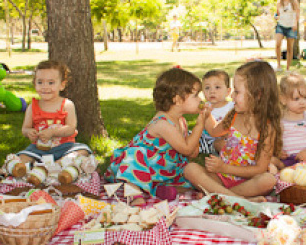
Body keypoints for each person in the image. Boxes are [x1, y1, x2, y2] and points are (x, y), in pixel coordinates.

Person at [105, 67, 209, 202]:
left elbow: (191, 153)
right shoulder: (162, 123)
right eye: (196, 96)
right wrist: (200, 125)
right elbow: (187, 148)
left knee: (190, 176)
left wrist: (196, 134)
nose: (200, 100)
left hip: (162, 170)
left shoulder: (181, 121)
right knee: (135, 154)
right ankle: (134, 194)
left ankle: (157, 189)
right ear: (177, 100)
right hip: (140, 166)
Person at [0, 60, 93, 180]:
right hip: (38, 150)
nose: (45, 87)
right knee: (22, 156)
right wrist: (29, 132)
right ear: (35, 84)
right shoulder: (32, 107)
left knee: (82, 151)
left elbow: (71, 128)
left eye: (51, 83)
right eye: (40, 82)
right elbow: (25, 128)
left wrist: (53, 132)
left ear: (62, 85)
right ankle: (3, 171)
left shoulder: (67, 104)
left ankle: (57, 167)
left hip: (64, 147)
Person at [184, 61, 282, 200]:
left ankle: (218, 195)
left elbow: (260, 168)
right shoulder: (234, 114)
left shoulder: (267, 127)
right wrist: (206, 114)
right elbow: (213, 131)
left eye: (237, 91)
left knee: (268, 180)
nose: (232, 96)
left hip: (246, 182)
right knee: (190, 169)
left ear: (257, 95)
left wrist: (224, 168)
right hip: (221, 178)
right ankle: (238, 199)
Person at [199, 69, 234, 155]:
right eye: (207, 88)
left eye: (217, 87)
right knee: (221, 144)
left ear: (228, 91)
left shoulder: (233, 106)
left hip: (231, 137)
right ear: (203, 92)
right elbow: (212, 131)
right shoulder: (205, 108)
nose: (212, 91)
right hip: (211, 140)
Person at [274, 0, 300, 72]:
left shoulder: (294, 1)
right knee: (278, 44)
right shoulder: (279, 2)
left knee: (289, 48)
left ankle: (288, 68)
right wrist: (276, 16)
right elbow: (277, 13)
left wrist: (295, 23)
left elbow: (297, 13)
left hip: (290, 26)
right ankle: (278, 65)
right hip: (281, 25)